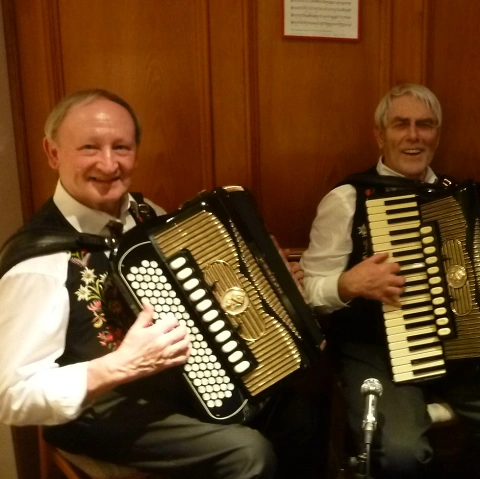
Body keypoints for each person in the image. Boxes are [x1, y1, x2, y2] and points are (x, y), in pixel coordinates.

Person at [0, 89, 318, 479]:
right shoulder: (38, 262)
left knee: (298, 417)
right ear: (53, 153)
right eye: (89, 147)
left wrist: (269, 284)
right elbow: (14, 397)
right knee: (248, 454)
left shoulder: (145, 213)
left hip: (177, 383)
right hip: (98, 411)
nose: (109, 163)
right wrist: (118, 366)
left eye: (121, 147)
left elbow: (197, 292)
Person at [300, 83, 480, 479]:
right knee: (401, 451)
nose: (413, 135)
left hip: (459, 351)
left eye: (425, 125)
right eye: (400, 124)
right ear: (380, 134)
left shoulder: (460, 198)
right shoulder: (348, 199)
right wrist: (348, 284)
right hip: (374, 351)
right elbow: (308, 290)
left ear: (437, 134)